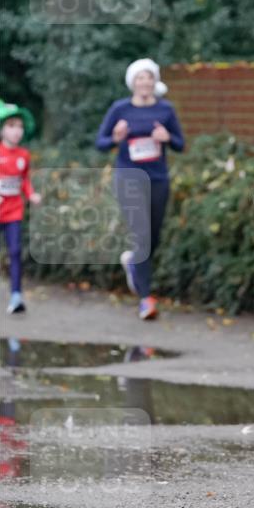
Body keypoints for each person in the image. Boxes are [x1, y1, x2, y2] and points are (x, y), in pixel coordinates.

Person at [95, 59, 185, 320]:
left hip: (158, 178)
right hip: (128, 178)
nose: (144, 82)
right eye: (139, 78)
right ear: (132, 82)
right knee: (142, 236)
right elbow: (100, 143)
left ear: (154, 81)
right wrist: (115, 137)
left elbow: (181, 144)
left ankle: (133, 261)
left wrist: (168, 139)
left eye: (148, 78)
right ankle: (146, 299)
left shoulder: (165, 109)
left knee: (153, 237)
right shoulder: (119, 109)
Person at [0, 99, 42, 314]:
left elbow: (24, 179)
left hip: (13, 211)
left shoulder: (24, 155)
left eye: (19, 126)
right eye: (11, 126)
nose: (16, 131)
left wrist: (31, 194)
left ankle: (16, 296)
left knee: (15, 251)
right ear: (1, 129)